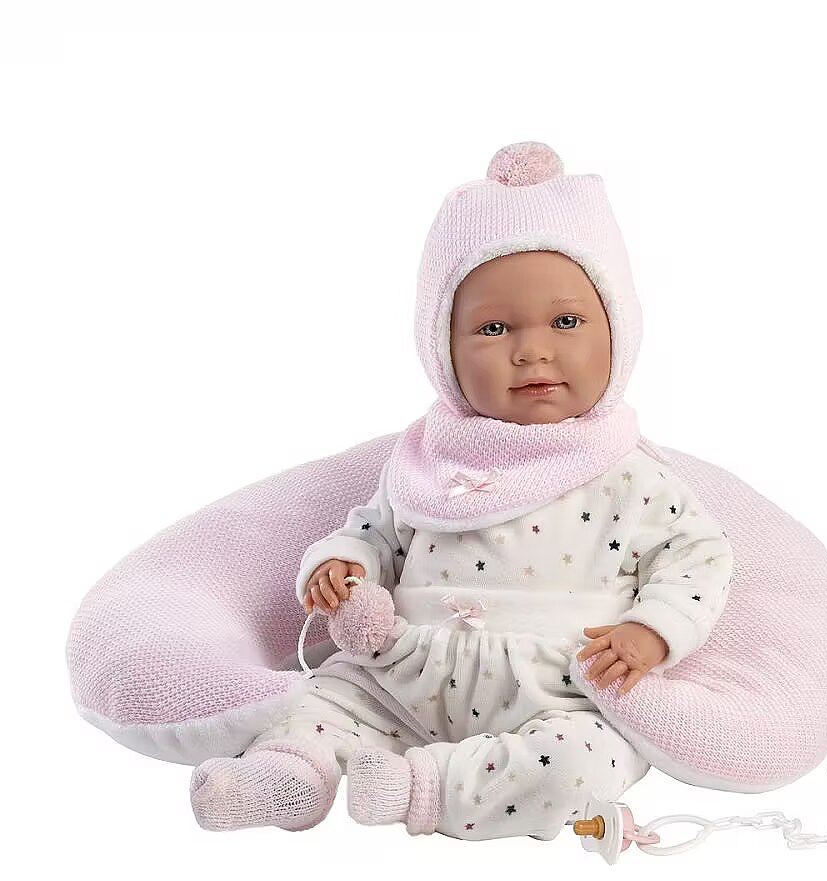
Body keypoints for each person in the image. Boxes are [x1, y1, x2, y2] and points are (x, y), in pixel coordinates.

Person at [189, 141, 734, 840]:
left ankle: (423, 787)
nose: (532, 350)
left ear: (618, 331)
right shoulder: (427, 458)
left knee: (584, 765)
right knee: (322, 699)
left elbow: (699, 559)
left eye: (567, 322)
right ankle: (287, 776)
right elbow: (375, 531)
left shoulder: (632, 476)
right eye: (493, 328)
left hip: (558, 688)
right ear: (442, 347)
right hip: (403, 667)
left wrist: (651, 633)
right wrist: (343, 564)